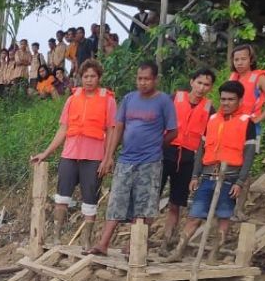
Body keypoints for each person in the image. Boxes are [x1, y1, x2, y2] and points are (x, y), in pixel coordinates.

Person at [86, 62, 177, 257]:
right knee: (117, 200)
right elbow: (118, 128)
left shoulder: (163, 101)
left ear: (155, 80)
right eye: (140, 79)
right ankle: (103, 244)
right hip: (126, 159)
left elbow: (173, 132)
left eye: (147, 79)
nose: (142, 83)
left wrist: (157, 144)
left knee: (143, 204)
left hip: (150, 161)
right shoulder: (128, 99)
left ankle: (134, 245)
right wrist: (109, 156)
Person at [29, 59, 118, 248]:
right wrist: (46, 153)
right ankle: (56, 237)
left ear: (99, 78)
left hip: (94, 157)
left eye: (93, 76)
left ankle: (86, 240)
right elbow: (63, 129)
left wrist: (108, 158)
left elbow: (112, 131)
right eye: (86, 76)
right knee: (62, 197)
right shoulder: (72, 99)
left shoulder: (108, 100)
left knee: (90, 199)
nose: (89, 80)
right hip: (70, 154)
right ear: (80, 78)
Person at [167, 82, 256, 262]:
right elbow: (201, 150)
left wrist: (240, 182)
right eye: (223, 99)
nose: (226, 103)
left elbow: (249, 155)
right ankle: (178, 251)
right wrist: (195, 175)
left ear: (239, 100)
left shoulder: (247, 123)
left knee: (224, 216)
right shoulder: (213, 119)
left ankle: (215, 253)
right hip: (208, 175)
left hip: (230, 177)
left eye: (231, 99)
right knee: (194, 216)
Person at [160, 68, 215, 253]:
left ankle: (165, 242)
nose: (201, 88)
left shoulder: (209, 109)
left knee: (176, 203)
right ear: (192, 82)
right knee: (151, 199)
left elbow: (208, 139)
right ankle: (137, 242)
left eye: (206, 85)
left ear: (210, 87)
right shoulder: (174, 98)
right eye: (199, 83)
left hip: (188, 159)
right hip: (165, 152)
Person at [228, 44, 265, 144]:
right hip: (231, 125)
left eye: (243, 59)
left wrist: (258, 119)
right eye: (236, 60)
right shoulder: (233, 77)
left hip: (250, 127)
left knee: (247, 159)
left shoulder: (260, 78)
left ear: (251, 60)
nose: (239, 63)